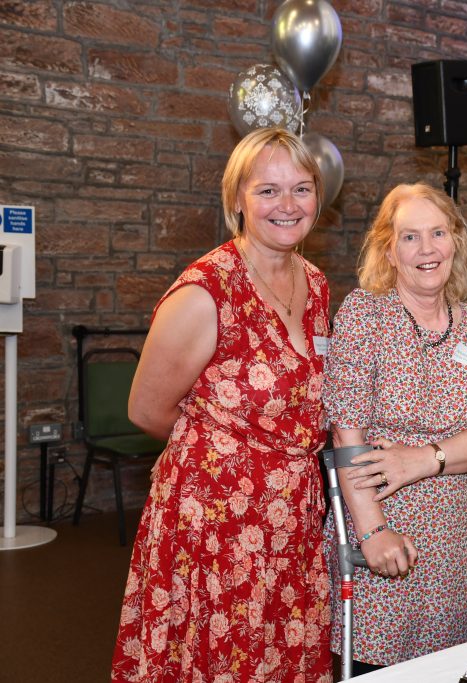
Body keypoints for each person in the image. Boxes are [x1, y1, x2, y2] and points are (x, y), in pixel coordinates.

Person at [111, 128, 333, 682]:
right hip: (213, 526)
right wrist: (219, 457)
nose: (287, 205)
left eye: (301, 189)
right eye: (268, 191)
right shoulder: (204, 291)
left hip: (293, 523)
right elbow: (145, 410)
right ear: (237, 199)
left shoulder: (318, 284)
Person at [323, 182, 467, 671]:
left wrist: (419, 460)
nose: (427, 249)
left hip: (458, 541)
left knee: (455, 671)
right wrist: (372, 533)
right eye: (410, 237)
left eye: (438, 233)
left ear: (456, 242)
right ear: (389, 249)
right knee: (381, 670)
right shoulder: (365, 315)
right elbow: (348, 435)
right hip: (386, 531)